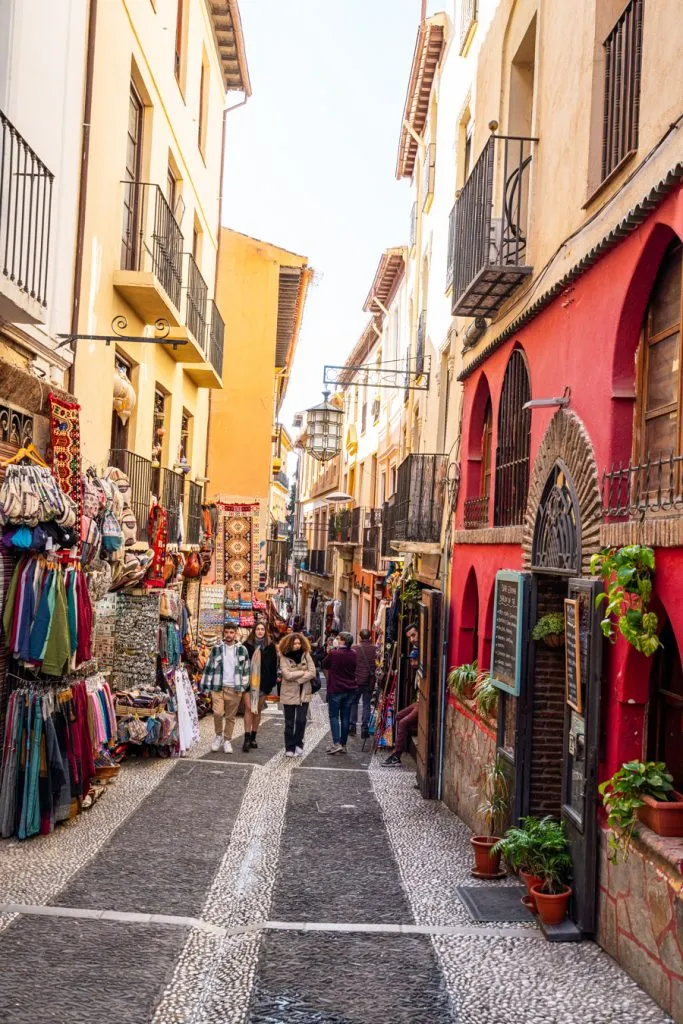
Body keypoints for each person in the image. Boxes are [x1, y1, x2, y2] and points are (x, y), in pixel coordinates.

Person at [201, 623, 251, 754]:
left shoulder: (242, 650)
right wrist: (205, 686)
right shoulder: (216, 648)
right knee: (217, 713)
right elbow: (209, 667)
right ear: (224, 633)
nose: (229, 635)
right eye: (227, 632)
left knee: (230, 716)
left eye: (231, 632)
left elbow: (246, 670)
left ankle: (227, 740)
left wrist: (243, 685)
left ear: (236, 634)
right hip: (218, 686)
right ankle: (218, 736)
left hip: (234, 688)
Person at [382, 623, 419, 767]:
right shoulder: (417, 650)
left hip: (422, 702)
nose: (411, 639)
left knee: (403, 722)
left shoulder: (423, 654)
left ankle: (396, 756)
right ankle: (404, 742)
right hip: (418, 701)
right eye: (409, 637)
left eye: (413, 635)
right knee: (398, 717)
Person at [278, 632, 316, 757]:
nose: (297, 645)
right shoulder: (283, 656)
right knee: (289, 722)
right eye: (295, 643)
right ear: (290, 644)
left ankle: (298, 744)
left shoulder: (306, 654)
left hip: (304, 692)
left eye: (299, 643)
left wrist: (298, 678)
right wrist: (302, 672)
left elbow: (312, 672)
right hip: (289, 693)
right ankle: (289, 747)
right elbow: (287, 675)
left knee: (301, 721)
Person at [242, 622, 278, 752]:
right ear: (254, 630)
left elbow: (274, 666)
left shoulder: (270, 647)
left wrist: (271, 683)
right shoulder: (246, 646)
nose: (260, 631)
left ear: (265, 631)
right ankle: (246, 738)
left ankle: (253, 736)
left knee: (257, 710)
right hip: (248, 682)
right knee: (248, 709)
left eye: (262, 629)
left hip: (263, 683)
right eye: (258, 629)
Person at [323, 632, 357, 754]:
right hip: (349, 689)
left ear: (342, 641)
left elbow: (324, 664)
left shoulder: (334, 653)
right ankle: (343, 744)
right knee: (345, 717)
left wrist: (330, 652)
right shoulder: (354, 654)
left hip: (336, 689)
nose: (336, 640)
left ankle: (336, 743)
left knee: (333, 716)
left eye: (338, 638)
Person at [349, 628, 377, 739]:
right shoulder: (375, 649)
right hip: (369, 681)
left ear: (360, 637)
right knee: (366, 704)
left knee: (353, 703)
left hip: (356, 681)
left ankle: (352, 726)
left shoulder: (354, 648)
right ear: (370, 637)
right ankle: (365, 728)